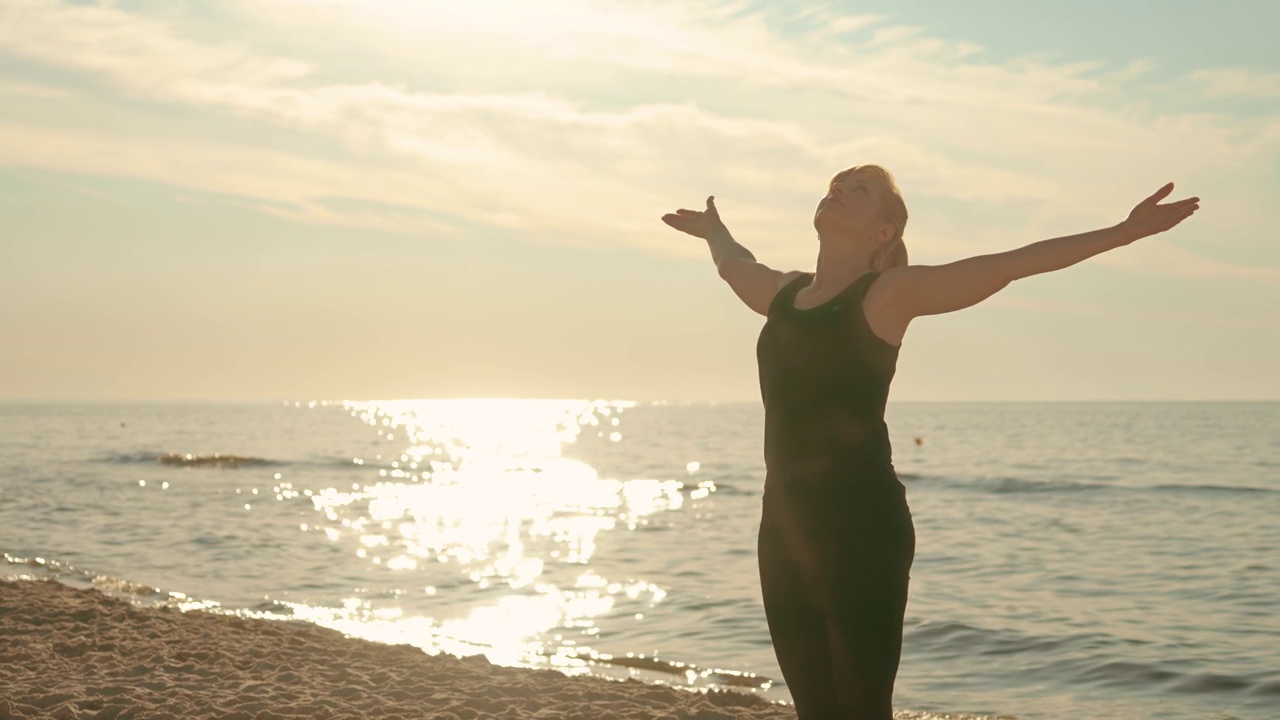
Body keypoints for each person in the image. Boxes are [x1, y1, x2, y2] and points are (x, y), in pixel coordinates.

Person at [661, 165, 1199, 719]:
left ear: (883, 233)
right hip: (784, 526)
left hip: (862, 523)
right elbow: (735, 266)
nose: (838, 190)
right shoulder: (785, 294)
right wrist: (713, 231)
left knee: (861, 706)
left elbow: (1010, 265)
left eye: (858, 190)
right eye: (834, 185)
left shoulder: (889, 293)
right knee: (813, 707)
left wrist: (1123, 232)